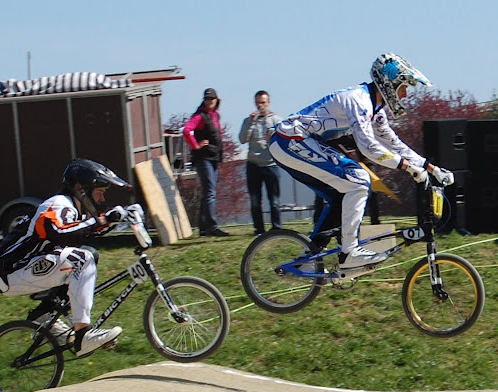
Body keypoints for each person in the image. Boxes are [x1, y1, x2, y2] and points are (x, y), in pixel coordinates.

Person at [269, 52, 453, 269]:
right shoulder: (359, 101)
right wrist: (406, 167)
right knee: (358, 180)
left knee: (342, 196)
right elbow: (369, 147)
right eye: (403, 87)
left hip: (293, 144)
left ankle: (308, 259)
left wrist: (431, 168)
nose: (404, 94)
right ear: (389, 83)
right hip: (290, 140)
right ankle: (349, 253)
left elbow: (394, 144)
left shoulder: (376, 110)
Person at [0, 158, 143, 357]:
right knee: (82, 259)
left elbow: (85, 231)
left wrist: (121, 217)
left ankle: (43, 314)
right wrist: (105, 219)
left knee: (90, 255)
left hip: (25, 266)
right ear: (80, 188)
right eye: (99, 193)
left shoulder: (71, 208)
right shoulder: (57, 204)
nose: (102, 200)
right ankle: (82, 337)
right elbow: (60, 233)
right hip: (10, 270)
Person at [183, 88, 229, 237]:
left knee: (209, 192)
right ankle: (212, 227)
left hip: (213, 157)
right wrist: (195, 145)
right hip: (203, 158)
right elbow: (187, 130)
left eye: (212, 99)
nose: (210, 101)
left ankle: (203, 227)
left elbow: (218, 133)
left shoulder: (215, 115)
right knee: (210, 192)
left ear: (216, 100)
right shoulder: (200, 116)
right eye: (207, 99)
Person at [239, 90, 283, 236]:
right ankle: (259, 230)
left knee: (274, 200)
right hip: (253, 164)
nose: (260, 106)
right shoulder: (248, 121)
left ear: (268, 103)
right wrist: (251, 123)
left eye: (263, 102)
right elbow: (242, 139)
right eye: (258, 102)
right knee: (255, 199)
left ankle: (276, 228)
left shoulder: (276, 120)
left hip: (271, 164)